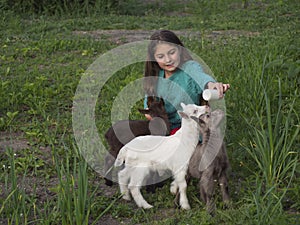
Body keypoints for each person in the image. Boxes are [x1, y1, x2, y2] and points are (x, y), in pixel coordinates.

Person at [143, 30, 230, 135]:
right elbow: (148, 107)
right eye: (161, 56)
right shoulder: (155, 77)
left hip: (190, 130)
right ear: (154, 58)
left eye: (172, 52)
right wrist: (151, 113)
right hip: (164, 130)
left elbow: (201, 78)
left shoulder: (189, 68)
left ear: (180, 49)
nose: (168, 60)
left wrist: (211, 85)